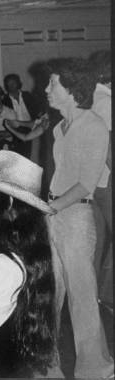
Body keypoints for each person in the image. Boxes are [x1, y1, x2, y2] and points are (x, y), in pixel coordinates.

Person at [19, 57, 113, 380]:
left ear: (72, 88)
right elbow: (58, 178)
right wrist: (46, 207)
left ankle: (96, 368)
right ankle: (47, 374)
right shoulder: (59, 128)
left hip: (76, 217)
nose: (45, 89)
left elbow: (87, 183)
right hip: (55, 214)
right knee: (45, 295)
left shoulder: (94, 124)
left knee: (82, 296)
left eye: (52, 84)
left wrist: (54, 207)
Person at [89, 50, 112, 312]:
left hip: (95, 181)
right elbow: (107, 147)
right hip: (106, 181)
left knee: (98, 239)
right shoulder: (105, 101)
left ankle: (95, 293)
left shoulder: (94, 97)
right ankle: (106, 294)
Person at [3, 73, 41, 158]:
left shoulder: (28, 96)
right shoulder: (5, 101)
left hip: (31, 128)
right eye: (8, 84)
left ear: (18, 83)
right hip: (16, 132)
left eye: (13, 83)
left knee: (32, 157)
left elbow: (37, 112)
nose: (11, 86)